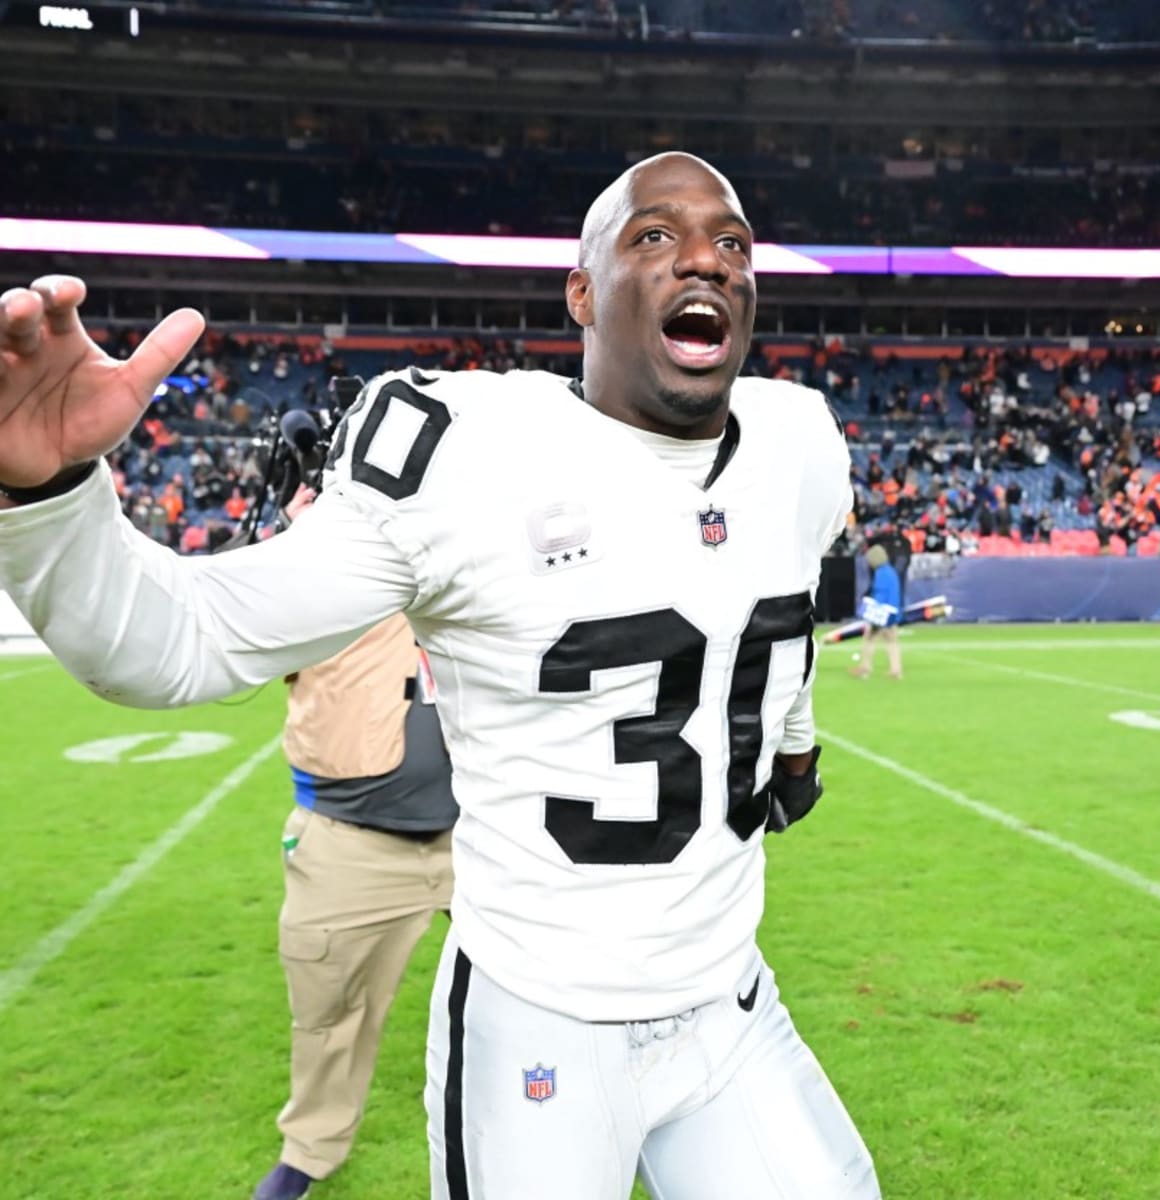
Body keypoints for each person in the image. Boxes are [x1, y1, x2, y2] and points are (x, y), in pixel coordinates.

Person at [0, 152, 879, 1199]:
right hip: (539, 1020)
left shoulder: (801, 441)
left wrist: (792, 744)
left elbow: (776, 612)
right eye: (656, 237)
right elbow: (179, 641)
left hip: (731, 1003)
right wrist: (53, 486)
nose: (705, 260)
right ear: (582, 292)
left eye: (732, 243)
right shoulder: (466, 457)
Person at [255, 486, 457, 1200]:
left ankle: (593, 1123)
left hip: (489, 834)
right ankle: (310, 1148)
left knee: (552, 994)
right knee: (329, 1013)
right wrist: (298, 540)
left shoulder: (471, 552)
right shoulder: (317, 564)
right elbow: (238, 632)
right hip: (350, 842)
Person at [850, 544, 903, 681]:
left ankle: (865, 667)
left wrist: (871, 610)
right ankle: (896, 670)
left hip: (881, 614)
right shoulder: (891, 571)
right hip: (892, 612)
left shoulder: (881, 573)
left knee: (869, 638)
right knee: (891, 641)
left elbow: (880, 594)